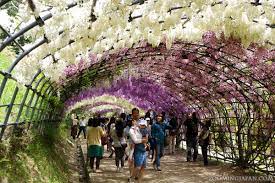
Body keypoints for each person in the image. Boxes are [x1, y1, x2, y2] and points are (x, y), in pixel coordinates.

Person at [128, 108, 147, 183]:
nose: (136, 115)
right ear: (132, 115)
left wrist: (146, 141)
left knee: (143, 167)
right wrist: (142, 140)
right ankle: (131, 177)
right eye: (134, 113)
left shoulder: (142, 123)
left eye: (137, 113)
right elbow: (134, 139)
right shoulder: (131, 128)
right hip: (135, 146)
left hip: (143, 147)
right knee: (137, 165)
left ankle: (139, 181)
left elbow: (147, 131)